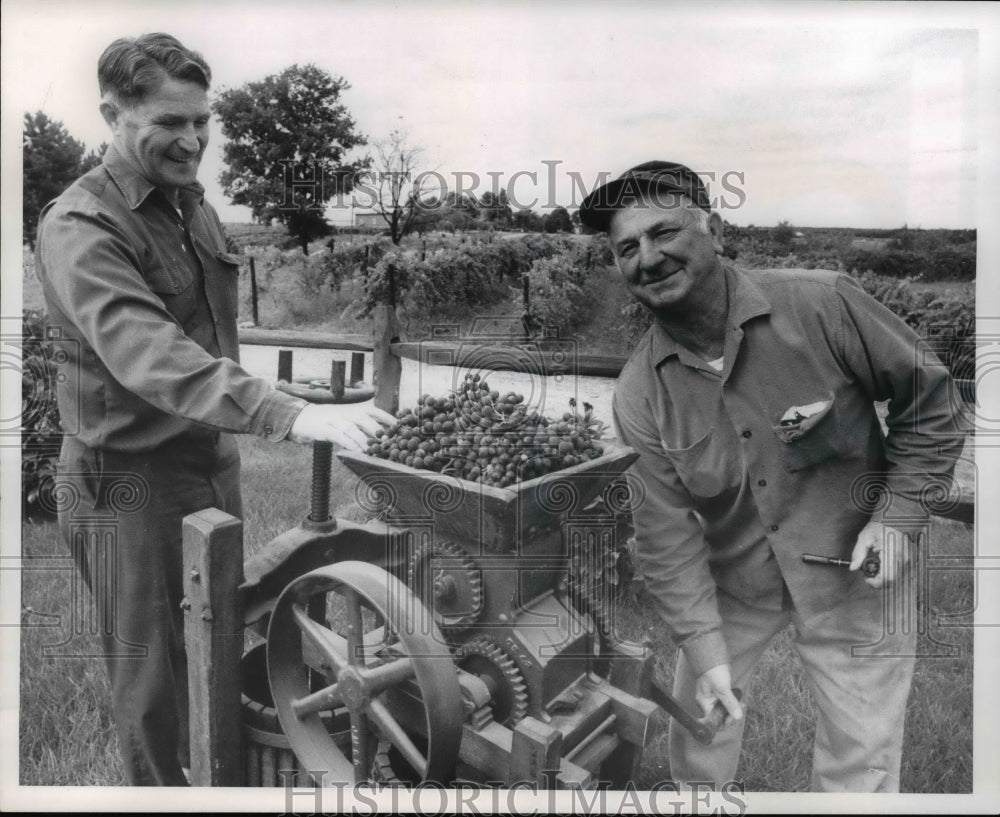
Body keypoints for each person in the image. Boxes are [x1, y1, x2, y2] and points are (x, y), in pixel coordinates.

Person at [33, 33, 393, 786]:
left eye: (202, 120)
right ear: (112, 113)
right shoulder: (79, 227)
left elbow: (209, 343)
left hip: (206, 461)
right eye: (170, 121)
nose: (193, 139)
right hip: (123, 479)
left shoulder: (194, 209)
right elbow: (148, 352)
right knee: (154, 677)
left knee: (217, 641)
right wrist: (286, 413)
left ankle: (223, 781)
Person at [578, 161, 964, 792]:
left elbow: (933, 403)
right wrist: (704, 653)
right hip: (737, 583)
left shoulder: (824, 304)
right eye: (627, 248)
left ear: (716, 231)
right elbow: (665, 539)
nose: (647, 257)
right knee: (700, 735)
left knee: (860, 759)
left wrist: (896, 519)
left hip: (858, 574)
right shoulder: (640, 395)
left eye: (664, 233)